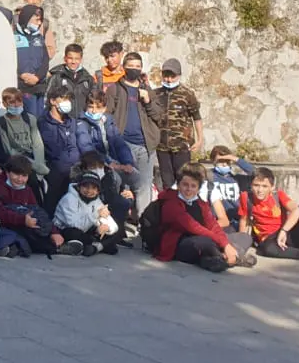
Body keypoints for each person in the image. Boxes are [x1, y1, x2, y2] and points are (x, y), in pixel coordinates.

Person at [154, 164, 255, 272]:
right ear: (178, 185)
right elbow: (195, 228)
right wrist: (225, 244)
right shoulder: (171, 203)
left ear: (198, 188)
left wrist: (226, 244)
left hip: (204, 238)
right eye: (185, 185)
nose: (189, 189)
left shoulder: (201, 203)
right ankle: (231, 257)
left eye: (193, 186)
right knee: (205, 242)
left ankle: (220, 258)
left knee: (245, 237)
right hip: (179, 243)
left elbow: (213, 226)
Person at [104, 52, 158, 207]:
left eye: (138, 67)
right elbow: (107, 114)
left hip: (145, 145)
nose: (134, 69)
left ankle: (144, 224)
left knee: (144, 186)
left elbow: (158, 116)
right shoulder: (115, 89)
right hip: (123, 144)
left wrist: (147, 100)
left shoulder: (146, 89)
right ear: (124, 67)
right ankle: (121, 224)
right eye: (131, 66)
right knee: (121, 185)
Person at [0, 155, 59, 256]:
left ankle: (57, 246)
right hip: (1, 226)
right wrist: (22, 220)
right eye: (16, 174)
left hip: (24, 226)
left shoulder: (27, 189)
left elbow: (38, 211)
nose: (20, 179)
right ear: (7, 172)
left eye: (24, 175)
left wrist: (54, 232)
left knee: (40, 230)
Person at [151, 58, 202, 191]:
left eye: (172, 76)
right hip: (162, 146)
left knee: (184, 180)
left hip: (182, 146)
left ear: (178, 75)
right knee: (167, 183)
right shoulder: (156, 94)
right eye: (166, 75)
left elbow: (196, 117)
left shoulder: (187, 94)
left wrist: (200, 139)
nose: (168, 79)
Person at [73, 93, 135, 198]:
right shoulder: (82, 123)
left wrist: (128, 162)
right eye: (90, 107)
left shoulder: (108, 121)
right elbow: (87, 148)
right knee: (116, 181)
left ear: (104, 108)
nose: (93, 111)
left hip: (115, 162)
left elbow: (119, 143)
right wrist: (109, 162)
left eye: (98, 107)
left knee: (140, 180)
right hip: (98, 165)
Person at [53, 170, 122, 257]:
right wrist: (97, 215)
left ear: (98, 191)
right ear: (79, 187)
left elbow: (114, 226)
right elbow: (75, 225)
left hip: (87, 231)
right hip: (65, 230)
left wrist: (105, 228)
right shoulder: (69, 199)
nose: (89, 191)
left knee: (115, 234)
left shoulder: (97, 201)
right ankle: (97, 245)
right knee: (74, 233)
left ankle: (93, 247)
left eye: (93, 188)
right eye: (86, 186)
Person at [38, 87, 81, 211]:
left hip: (74, 165)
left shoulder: (71, 121)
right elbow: (53, 149)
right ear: (52, 101)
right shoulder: (43, 123)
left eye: (68, 99)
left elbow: (74, 145)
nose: (67, 102)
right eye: (63, 99)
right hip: (55, 167)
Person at [0, 88, 48, 183]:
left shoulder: (30, 118)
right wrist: (32, 165)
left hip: (32, 158)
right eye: (12, 102)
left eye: (19, 101)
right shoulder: (1, 122)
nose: (16, 105)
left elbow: (38, 144)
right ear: (4, 104)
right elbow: (8, 150)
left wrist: (39, 164)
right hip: (16, 161)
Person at [12, 6, 50, 115]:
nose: (39, 23)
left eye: (40, 20)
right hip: (23, 85)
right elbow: (9, 61)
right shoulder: (13, 38)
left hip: (39, 85)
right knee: (30, 117)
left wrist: (37, 77)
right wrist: (21, 75)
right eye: (36, 19)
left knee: (39, 117)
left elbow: (45, 61)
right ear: (26, 18)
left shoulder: (39, 38)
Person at [46, 44, 96, 115]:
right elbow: (47, 98)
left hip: (81, 120)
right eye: (70, 58)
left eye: (77, 59)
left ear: (81, 59)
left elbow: (93, 99)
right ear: (65, 58)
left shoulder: (87, 78)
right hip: (62, 120)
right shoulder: (56, 76)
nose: (73, 61)